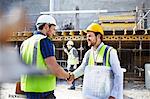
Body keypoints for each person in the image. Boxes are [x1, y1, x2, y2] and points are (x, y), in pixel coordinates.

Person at [20, 15, 72, 99]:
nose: (54, 32)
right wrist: (68, 76)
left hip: (28, 90)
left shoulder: (25, 43)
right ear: (46, 26)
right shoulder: (44, 41)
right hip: (43, 91)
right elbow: (54, 69)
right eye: (53, 29)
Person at [68, 23, 123, 99]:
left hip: (107, 96)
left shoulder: (110, 52)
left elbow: (118, 74)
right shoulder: (88, 53)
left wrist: (114, 94)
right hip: (91, 95)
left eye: (90, 36)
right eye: (87, 36)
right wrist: (73, 75)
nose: (87, 38)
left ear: (99, 36)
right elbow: (82, 68)